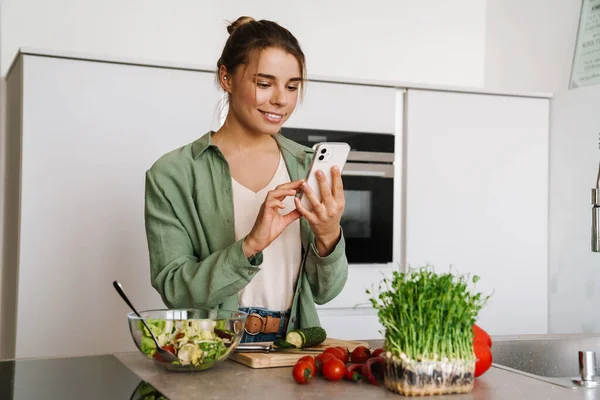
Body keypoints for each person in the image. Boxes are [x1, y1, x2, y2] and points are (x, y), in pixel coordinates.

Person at [144, 16, 348, 343]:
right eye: (264, 84)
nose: (281, 99)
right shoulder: (173, 173)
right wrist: (250, 245)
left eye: (292, 86)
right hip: (215, 350)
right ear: (226, 77)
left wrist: (328, 235)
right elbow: (175, 291)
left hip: (293, 348)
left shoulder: (305, 166)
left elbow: (326, 293)